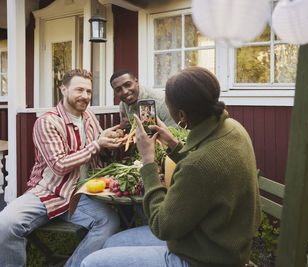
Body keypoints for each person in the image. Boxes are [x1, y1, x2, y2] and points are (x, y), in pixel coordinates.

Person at [81, 67, 261, 267]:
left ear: (181, 115)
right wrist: (173, 144)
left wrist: (148, 160)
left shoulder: (197, 167)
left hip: (203, 257)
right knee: (111, 242)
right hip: (218, 237)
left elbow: (161, 227)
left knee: (90, 263)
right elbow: (206, 165)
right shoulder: (234, 128)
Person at [0, 69, 122, 267]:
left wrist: (108, 144)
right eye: (79, 90)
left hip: (80, 195)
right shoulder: (47, 122)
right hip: (47, 192)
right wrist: (97, 144)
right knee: (4, 224)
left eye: (89, 91)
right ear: (63, 89)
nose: (85, 96)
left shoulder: (89, 117)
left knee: (109, 222)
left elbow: (98, 151)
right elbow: (59, 165)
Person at [110, 69, 176, 129]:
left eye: (128, 85)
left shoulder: (162, 101)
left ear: (136, 82)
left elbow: (174, 135)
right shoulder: (123, 105)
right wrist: (123, 127)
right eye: (118, 90)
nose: (125, 92)